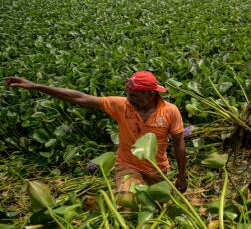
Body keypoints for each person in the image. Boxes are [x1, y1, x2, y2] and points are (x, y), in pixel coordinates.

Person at [5, 71, 187, 194]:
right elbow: (79, 97)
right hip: (128, 166)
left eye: (134, 95)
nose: (128, 98)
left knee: (162, 205)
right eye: (128, 93)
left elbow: (179, 143)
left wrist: (181, 174)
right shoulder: (121, 105)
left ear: (150, 95)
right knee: (127, 202)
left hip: (158, 168)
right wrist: (37, 86)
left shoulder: (170, 111)